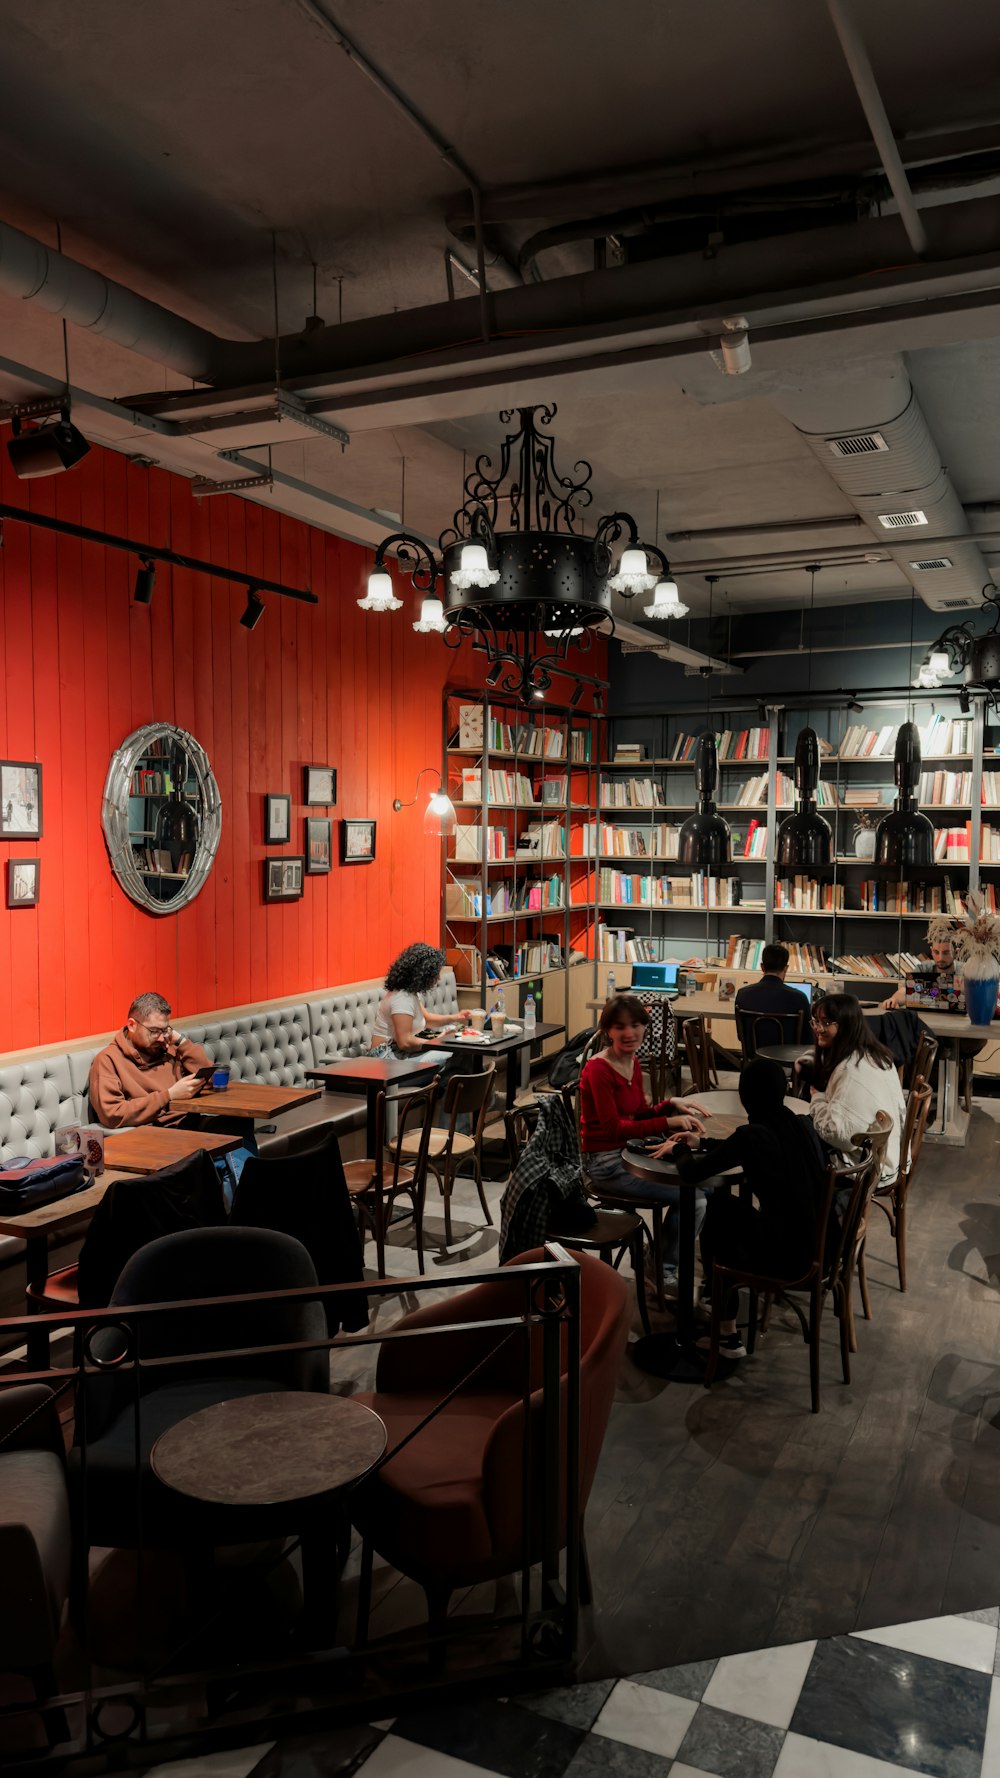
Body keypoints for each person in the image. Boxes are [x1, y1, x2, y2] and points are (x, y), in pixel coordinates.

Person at [656, 1058, 829, 1359]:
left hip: (788, 1260)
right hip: (821, 1248)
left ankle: (726, 1334)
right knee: (725, 1207)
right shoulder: (798, 1123)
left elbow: (692, 1174)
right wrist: (702, 1142)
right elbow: (731, 1151)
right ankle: (717, 1294)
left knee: (718, 1214)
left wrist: (680, 1149)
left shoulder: (752, 1135)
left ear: (745, 1096)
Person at [579, 993, 709, 1288]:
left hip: (630, 1152)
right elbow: (613, 1129)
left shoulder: (632, 1061)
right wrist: (667, 1121)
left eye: (636, 1024)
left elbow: (636, 1115)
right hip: (605, 1163)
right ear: (607, 1031)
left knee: (705, 1185)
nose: (629, 1033)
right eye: (620, 1026)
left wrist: (671, 1104)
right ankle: (661, 1266)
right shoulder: (598, 1069)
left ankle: (658, 1256)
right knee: (696, 1199)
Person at [797, 993, 906, 1177]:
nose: (818, 1028)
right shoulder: (873, 1054)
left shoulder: (850, 1070)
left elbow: (840, 1135)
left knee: (794, 1134)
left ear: (846, 1025)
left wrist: (817, 1099)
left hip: (867, 1168)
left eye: (826, 1022)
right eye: (815, 1021)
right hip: (889, 1154)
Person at [89, 991, 211, 1128]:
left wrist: (182, 1042)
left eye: (165, 1030)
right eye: (154, 1031)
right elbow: (112, 1114)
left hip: (192, 1120)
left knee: (236, 1126)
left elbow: (210, 1083)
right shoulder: (108, 1060)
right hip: (157, 1133)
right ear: (132, 1025)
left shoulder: (168, 1047)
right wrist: (168, 1096)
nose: (161, 1037)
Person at [367, 942, 461, 1058]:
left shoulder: (410, 993)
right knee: (456, 1053)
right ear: (423, 975)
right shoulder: (402, 999)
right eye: (435, 974)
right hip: (386, 1057)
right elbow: (405, 1043)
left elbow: (427, 1020)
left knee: (458, 1050)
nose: (439, 978)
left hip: (398, 1053)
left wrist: (457, 1017)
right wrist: (437, 1041)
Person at [734, 944, 811, 1042]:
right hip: (787, 1056)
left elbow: (741, 1036)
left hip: (753, 1056)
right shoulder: (800, 997)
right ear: (785, 968)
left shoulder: (742, 994)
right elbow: (807, 1039)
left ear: (762, 967)